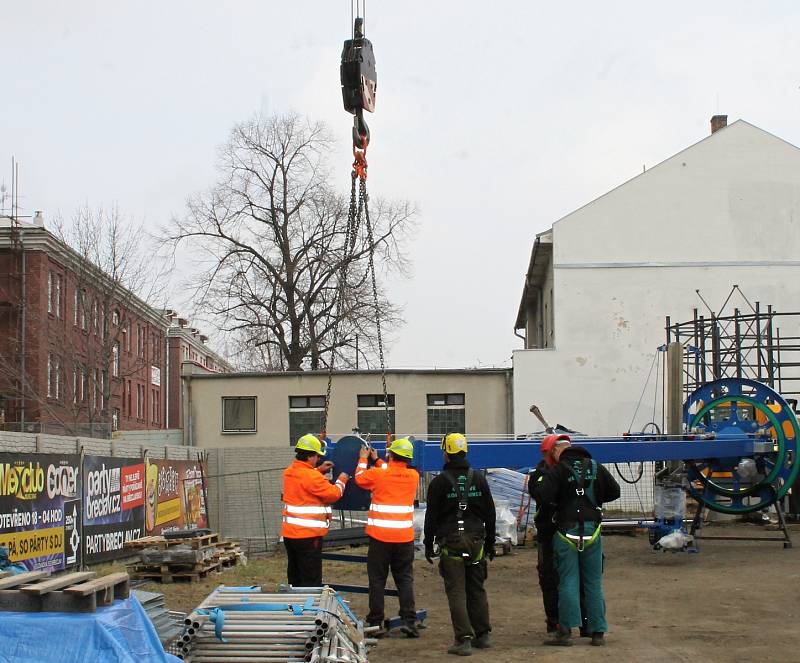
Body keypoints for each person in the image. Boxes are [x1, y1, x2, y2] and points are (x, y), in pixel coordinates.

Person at [534, 443, 620, 647]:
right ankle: (597, 631)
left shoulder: (559, 470)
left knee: (568, 581)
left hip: (566, 532)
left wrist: (560, 500)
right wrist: (596, 498)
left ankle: (566, 632)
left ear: (560, 454)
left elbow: (543, 496)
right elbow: (614, 491)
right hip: (592, 531)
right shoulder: (595, 467)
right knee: (593, 582)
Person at [424, 433, 496, 657]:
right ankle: (483, 635)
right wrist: (491, 542)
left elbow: (431, 517)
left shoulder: (439, 483)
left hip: (452, 542)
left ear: (446, 452)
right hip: (476, 541)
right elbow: (490, 513)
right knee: (476, 588)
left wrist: (428, 544)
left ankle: (463, 639)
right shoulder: (479, 478)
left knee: (456, 591)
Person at [354, 437, 421, 638]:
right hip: (404, 539)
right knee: (405, 579)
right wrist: (378, 461)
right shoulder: (413, 476)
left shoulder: (378, 474)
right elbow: (391, 473)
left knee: (377, 581)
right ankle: (410, 621)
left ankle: (375, 622)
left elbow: (359, 478)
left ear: (390, 454)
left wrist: (363, 459)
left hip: (380, 539)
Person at [281, 433, 349, 586]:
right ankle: (310, 607)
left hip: (290, 535)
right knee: (311, 578)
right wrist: (342, 479)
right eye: (317, 456)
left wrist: (318, 470)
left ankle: (295, 604)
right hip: (308, 537)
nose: (319, 459)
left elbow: (304, 482)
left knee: (295, 574)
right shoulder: (312, 477)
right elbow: (333, 494)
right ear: (311, 457)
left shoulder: (289, 472)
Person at [528, 433, 572, 634]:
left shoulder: (571, 470)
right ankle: (554, 621)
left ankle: (582, 622)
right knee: (550, 578)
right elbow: (540, 495)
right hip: (549, 532)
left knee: (571, 578)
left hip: (569, 531)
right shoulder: (540, 474)